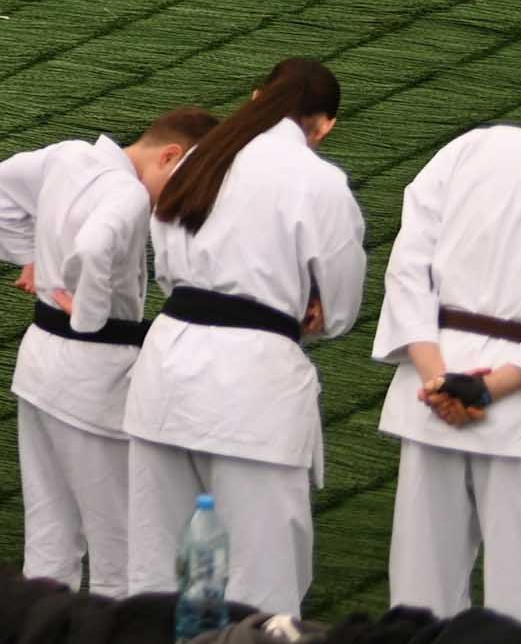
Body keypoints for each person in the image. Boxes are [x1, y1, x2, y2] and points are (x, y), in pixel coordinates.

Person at [120, 57, 366, 615]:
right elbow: (343, 303)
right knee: (262, 577)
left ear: (257, 95)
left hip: (167, 368)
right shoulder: (318, 181)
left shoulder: (194, 162)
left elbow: (166, 269)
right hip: (254, 387)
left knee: (157, 572)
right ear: (324, 125)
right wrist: (316, 310)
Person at [0, 107, 214, 591]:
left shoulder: (69, 155)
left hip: (39, 360)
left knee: (49, 534)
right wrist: (87, 314)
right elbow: (92, 247)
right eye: (185, 182)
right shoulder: (128, 194)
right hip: (93, 375)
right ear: (169, 156)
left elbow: (0, 184)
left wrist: (26, 256)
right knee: (119, 541)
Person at [371, 82, 521, 622]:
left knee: (418, 597)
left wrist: (437, 378)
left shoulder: (467, 149)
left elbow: (408, 268)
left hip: (431, 398)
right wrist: (486, 386)